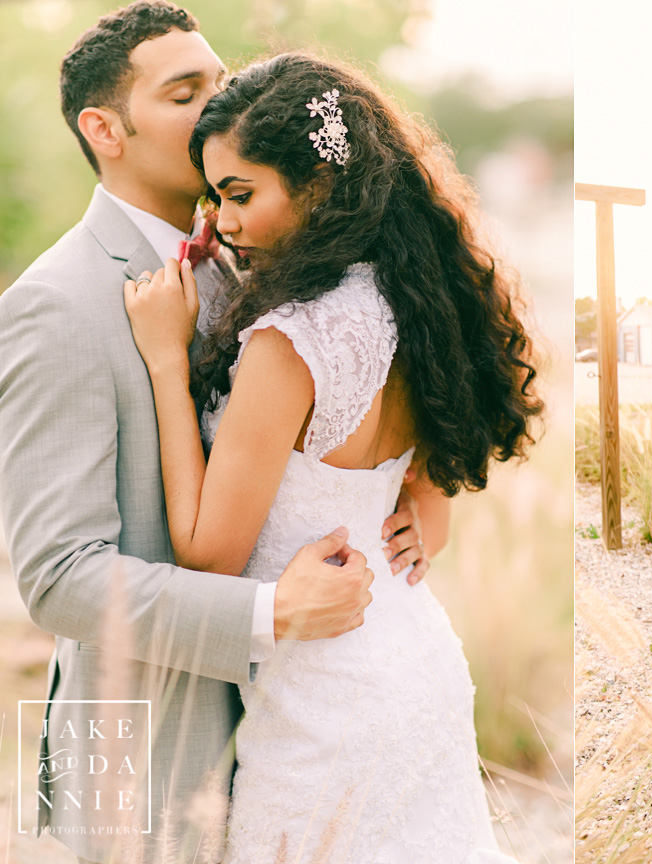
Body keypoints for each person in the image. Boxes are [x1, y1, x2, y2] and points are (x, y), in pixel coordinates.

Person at [0, 4, 427, 862]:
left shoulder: (266, 254)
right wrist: (273, 612)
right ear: (104, 129)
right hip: (157, 748)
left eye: (220, 84)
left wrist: (418, 488)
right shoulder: (56, 306)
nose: (215, 109)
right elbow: (59, 578)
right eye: (184, 92)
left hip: (309, 726)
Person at [122, 51, 541, 862]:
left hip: (326, 710)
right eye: (214, 197)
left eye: (240, 195)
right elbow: (426, 483)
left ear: (319, 184)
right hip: (416, 664)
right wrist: (424, 511)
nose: (223, 222)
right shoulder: (417, 297)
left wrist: (168, 362)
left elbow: (209, 554)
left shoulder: (292, 340)